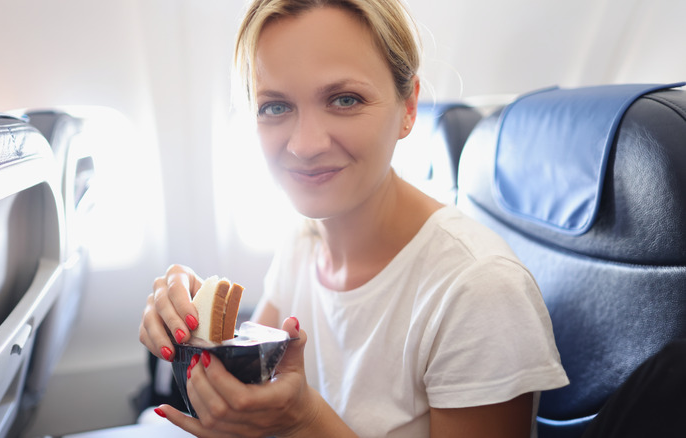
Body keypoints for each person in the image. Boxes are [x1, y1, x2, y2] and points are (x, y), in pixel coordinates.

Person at [138, 0, 569, 436]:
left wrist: (304, 420)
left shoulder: (479, 291)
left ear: (409, 108)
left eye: (345, 99)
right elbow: (250, 388)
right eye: (275, 106)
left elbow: (289, 416)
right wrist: (190, 327)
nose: (305, 145)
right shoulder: (303, 243)